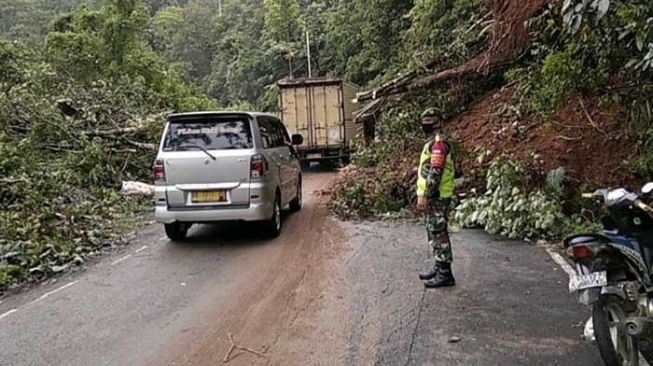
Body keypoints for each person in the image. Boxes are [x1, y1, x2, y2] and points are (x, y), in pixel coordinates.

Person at [416, 108, 457, 288]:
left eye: (429, 121)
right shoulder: (433, 142)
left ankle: (445, 274)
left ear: (439, 122)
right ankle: (439, 265)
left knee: (439, 233)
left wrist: (425, 195)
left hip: (438, 195)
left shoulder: (439, 144)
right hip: (436, 195)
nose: (426, 125)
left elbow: (435, 174)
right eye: (425, 121)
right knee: (434, 231)